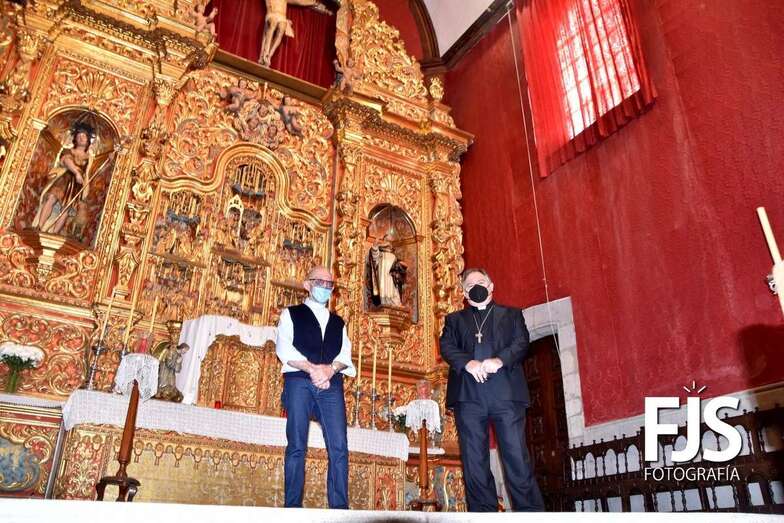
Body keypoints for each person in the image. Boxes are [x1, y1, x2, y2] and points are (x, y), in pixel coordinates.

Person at [439, 268, 544, 512]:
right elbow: (446, 345)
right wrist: (468, 362)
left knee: (516, 457)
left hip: (506, 396)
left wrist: (500, 360)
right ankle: (482, 516)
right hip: (469, 398)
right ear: (464, 292)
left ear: (491, 285)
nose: (476, 286)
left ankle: (531, 515)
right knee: (474, 462)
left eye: (481, 281)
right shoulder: (454, 321)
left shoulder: (512, 314)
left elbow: (521, 342)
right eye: (470, 283)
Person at [275, 265, 356, 509]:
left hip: (331, 384)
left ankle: (339, 509)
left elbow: (345, 355)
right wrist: (313, 369)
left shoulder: (339, 322)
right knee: (297, 446)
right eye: (319, 282)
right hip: (300, 381)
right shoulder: (290, 314)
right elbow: (284, 348)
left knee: (339, 447)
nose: (324, 287)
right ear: (307, 284)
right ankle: (292, 508)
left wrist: (329, 370)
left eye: (329, 284)